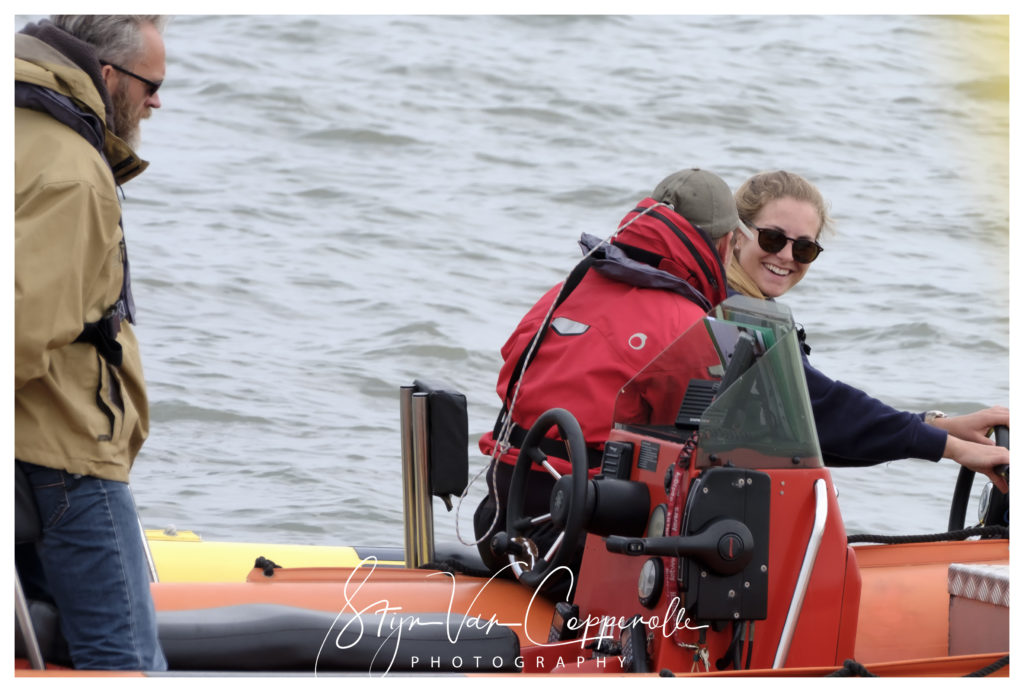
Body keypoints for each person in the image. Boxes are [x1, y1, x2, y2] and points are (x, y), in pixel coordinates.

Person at [473, 168, 753, 571]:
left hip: (497, 522)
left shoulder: (570, 286)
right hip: (571, 549)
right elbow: (715, 434)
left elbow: (511, 366)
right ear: (726, 244)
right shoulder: (689, 326)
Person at [15, 15, 169, 670]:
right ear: (108, 78)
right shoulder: (74, 172)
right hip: (67, 458)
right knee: (125, 661)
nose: (157, 100)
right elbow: (21, 328)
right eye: (152, 84)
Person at [728, 170, 1009, 493]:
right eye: (772, 238)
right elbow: (816, 407)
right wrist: (952, 447)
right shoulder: (738, 315)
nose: (787, 256)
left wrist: (934, 426)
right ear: (737, 234)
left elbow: (820, 429)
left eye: (804, 248)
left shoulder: (732, 300)